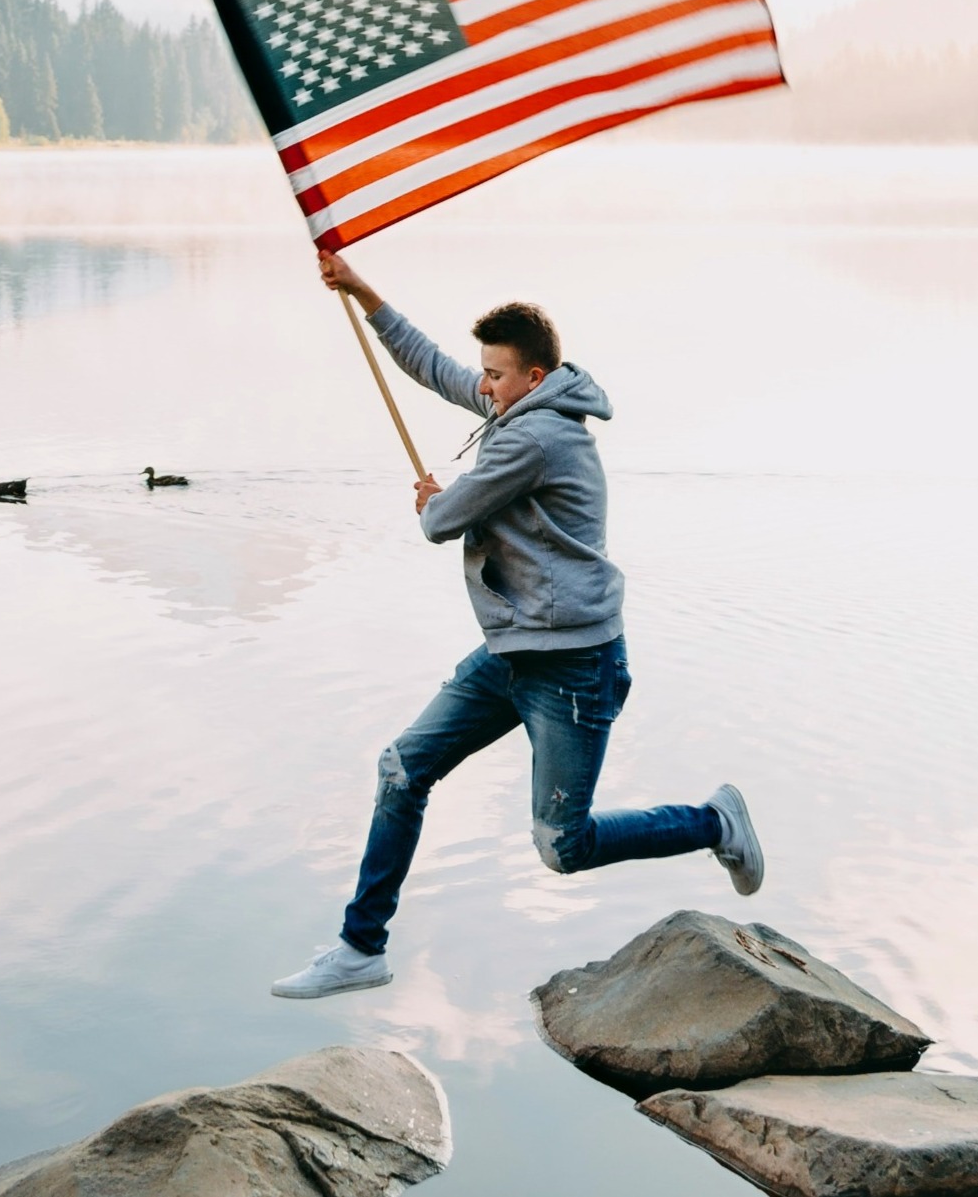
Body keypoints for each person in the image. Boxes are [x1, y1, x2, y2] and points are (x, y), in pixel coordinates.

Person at [272, 248, 764, 1000]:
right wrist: (362, 290)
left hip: (571, 667)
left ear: (533, 377)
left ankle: (712, 821)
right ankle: (359, 946)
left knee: (562, 847)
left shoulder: (535, 437)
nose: (482, 383)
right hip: (512, 650)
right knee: (401, 769)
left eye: (495, 373)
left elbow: (442, 520)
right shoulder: (520, 407)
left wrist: (431, 499)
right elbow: (434, 367)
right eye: (485, 371)